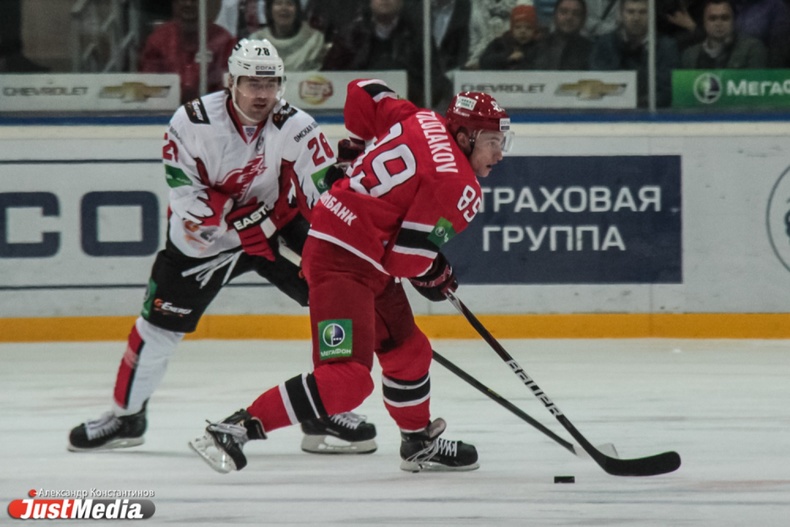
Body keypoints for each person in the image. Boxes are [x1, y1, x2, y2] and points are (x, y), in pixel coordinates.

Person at [68, 39, 377, 456]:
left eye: (271, 84)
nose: (262, 94)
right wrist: (236, 219)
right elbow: (185, 196)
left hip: (276, 227)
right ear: (231, 81)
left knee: (334, 302)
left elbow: (321, 192)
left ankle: (321, 408)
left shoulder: (296, 124)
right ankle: (127, 417)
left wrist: (341, 200)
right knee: (159, 328)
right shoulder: (192, 121)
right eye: (252, 83)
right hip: (203, 244)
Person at [189, 79, 513, 474]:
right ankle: (236, 428)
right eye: (492, 142)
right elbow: (405, 261)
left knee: (409, 353)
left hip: (355, 249)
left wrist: (356, 148)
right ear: (464, 137)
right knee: (347, 380)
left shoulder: (422, 118)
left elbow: (364, 90)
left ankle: (418, 443)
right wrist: (436, 271)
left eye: (502, 142)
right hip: (342, 263)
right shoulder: (459, 185)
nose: (499, 153)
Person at [321, 0, 449, 108]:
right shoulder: (351, 34)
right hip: (354, 113)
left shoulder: (418, 35)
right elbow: (330, 77)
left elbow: (435, 82)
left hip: (406, 112)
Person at [138, 0, 238, 103]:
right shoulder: (158, 39)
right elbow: (149, 88)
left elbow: (226, 91)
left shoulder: (224, 41)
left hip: (210, 109)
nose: (188, 4)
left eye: (195, 0)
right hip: (166, 110)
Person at [590, 0, 680, 107]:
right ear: (620, 15)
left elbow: (668, 90)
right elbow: (597, 84)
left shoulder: (666, 46)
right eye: (630, 12)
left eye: (642, 12)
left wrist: (637, 103)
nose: (636, 18)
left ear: (652, 15)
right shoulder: (605, 44)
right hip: (612, 111)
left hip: (652, 112)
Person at [681, 0, 767, 68]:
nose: (719, 23)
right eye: (712, 18)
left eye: (725, 18)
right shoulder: (690, 55)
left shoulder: (752, 49)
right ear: (704, 22)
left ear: (733, 21)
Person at [250, 0, 328, 71]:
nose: (284, 8)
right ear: (269, 9)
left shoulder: (314, 40)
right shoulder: (256, 41)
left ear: (297, 9)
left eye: (290, 3)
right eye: (278, 3)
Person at [529, 0, 593, 70]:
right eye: (563, 12)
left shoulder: (592, 51)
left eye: (576, 13)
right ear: (554, 15)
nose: (569, 17)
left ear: (583, 19)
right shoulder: (537, 47)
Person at [480, 4, 541, 70]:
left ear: (535, 30)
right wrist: (507, 57)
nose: (523, 32)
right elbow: (484, 62)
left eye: (528, 28)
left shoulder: (540, 46)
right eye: (518, 27)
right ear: (512, 29)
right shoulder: (500, 44)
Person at [466, 0, 519, 69]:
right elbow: (473, 40)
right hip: (476, 64)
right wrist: (473, 61)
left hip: (510, 66)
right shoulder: (475, 5)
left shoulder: (521, 4)